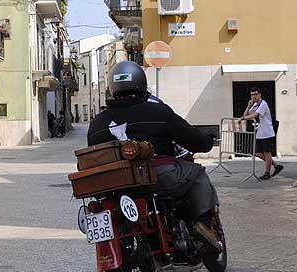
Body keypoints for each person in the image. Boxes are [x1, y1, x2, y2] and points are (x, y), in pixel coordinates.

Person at [87, 61, 222, 251]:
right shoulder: (157, 111)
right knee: (197, 173)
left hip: (114, 184)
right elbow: (190, 137)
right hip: (157, 175)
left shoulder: (97, 122)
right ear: (141, 82)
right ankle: (203, 225)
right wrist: (206, 141)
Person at [241, 87, 283, 180]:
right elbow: (246, 115)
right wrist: (248, 106)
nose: (254, 96)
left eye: (255, 94)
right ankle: (276, 165)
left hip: (266, 132)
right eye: (252, 95)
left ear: (260, 94)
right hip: (260, 132)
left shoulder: (263, 104)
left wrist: (244, 119)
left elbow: (255, 115)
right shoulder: (255, 105)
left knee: (266, 152)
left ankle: (267, 173)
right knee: (258, 153)